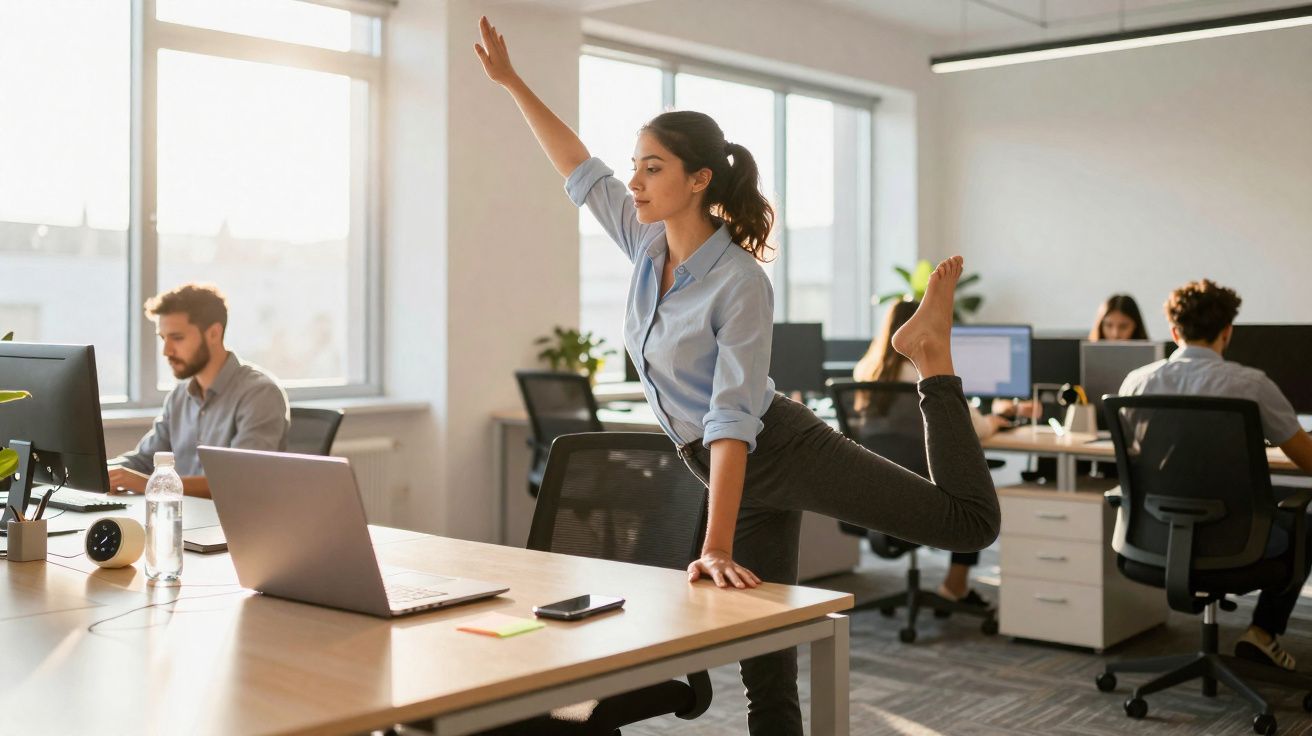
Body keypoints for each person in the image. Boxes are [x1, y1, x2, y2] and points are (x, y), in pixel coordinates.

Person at [475, 18, 1000, 734]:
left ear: (699, 179)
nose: (634, 179)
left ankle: (931, 358)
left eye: (652, 166)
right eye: (636, 163)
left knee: (971, 522)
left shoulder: (739, 281)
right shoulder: (643, 241)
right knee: (765, 658)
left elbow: (730, 420)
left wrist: (713, 544)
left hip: (776, 448)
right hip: (723, 467)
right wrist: (511, 83)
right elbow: (578, 165)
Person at [1120, 279, 1312, 671]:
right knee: (1306, 522)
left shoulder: (1137, 382)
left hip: (1155, 535)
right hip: (1236, 540)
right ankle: (1262, 633)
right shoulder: (1252, 385)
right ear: (1227, 332)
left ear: (1174, 332)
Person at [854, 301, 1035, 610]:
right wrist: (997, 417)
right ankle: (955, 585)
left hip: (876, 493)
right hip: (923, 491)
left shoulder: (866, 369)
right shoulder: (921, 372)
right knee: (972, 493)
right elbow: (969, 428)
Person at [108, 284, 290, 499]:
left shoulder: (260, 394)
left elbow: (240, 480)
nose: (166, 351)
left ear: (213, 334)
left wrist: (152, 484)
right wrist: (100, 472)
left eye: (177, 338)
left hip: (230, 525)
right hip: (182, 517)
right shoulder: (179, 396)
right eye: (163, 338)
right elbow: (144, 460)